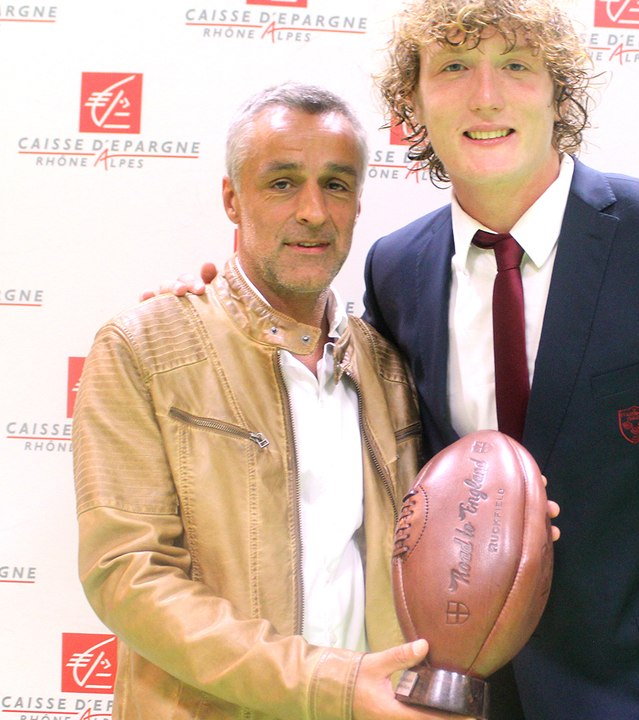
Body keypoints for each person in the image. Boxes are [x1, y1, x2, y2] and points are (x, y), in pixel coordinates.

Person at [164, 1, 639, 718]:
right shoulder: (396, 271)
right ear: (413, 103)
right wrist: (226, 306)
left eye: (515, 66)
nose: (485, 95)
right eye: (453, 68)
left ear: (558, 92)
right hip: (472, 700)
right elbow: (346, 430)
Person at [73, 82, 473, 720]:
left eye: (336, 184)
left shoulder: (387, 366)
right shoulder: (144, 348)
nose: (313, 211)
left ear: (359, 201)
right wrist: (327, 684)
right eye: (282, 182)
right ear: (232, 198)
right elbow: (129, 575)